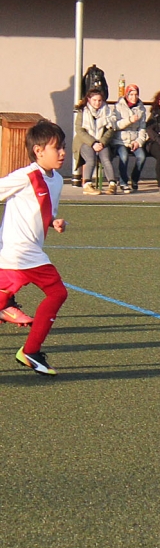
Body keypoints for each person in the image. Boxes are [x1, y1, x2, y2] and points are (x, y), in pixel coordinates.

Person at [0, 120, 69, 376]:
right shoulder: (26, 176)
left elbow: (43, 210)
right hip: (21, 253)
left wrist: (53, 221)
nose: (62, 153)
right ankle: (30, 351)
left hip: (17, 256)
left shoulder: (57, 180)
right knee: (57, 292)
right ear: (39, 151)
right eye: (57, 148)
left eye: (63, 147)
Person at [73, 89, 118, 195]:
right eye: (94, 100)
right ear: (89, 99)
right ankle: (87, 185)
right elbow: (79, 130)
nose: (97, 103)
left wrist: (102, 142)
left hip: (102, 142)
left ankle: (112, 185)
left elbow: (111, 129)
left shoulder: (107, 111)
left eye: (99, 100)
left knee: (106, 159)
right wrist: (93, 143)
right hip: (85, 142)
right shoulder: (82, 111)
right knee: (90, 159)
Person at [113, 84, 148, 193]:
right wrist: (129, 120)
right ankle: (123, 182)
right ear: (127, 95)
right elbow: (115, 125)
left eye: (136, 94)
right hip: (120, 139)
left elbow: (142, 128)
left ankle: (135, 178)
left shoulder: (141, 108)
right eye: (131, 94)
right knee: (124, 156)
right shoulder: (118, 107)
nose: (134, 97)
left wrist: (138, 141)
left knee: (141, 157)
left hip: (134, 139)